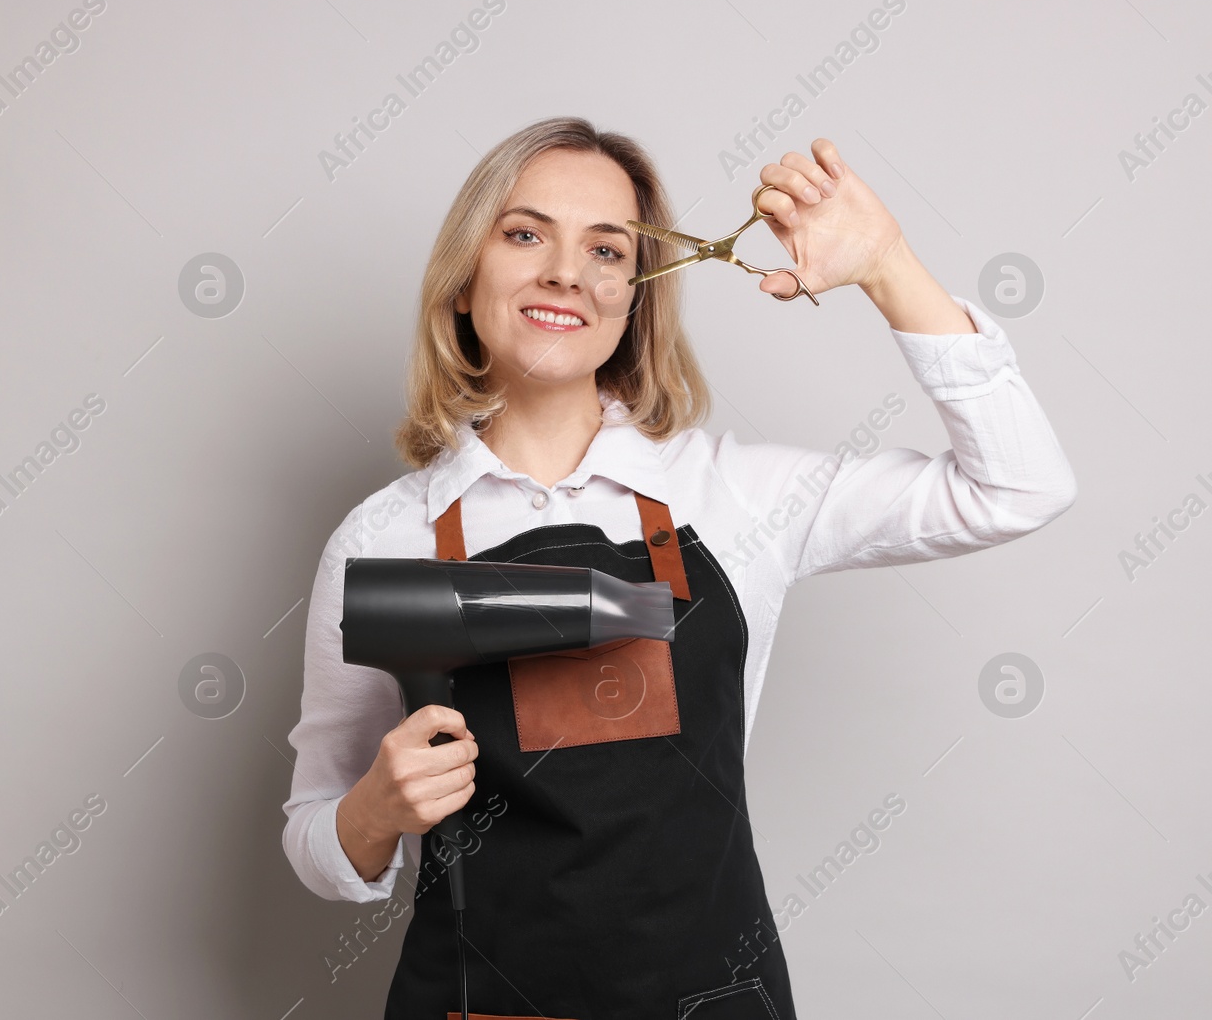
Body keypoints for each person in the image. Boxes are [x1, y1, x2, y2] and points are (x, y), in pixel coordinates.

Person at [281, 116, 1076, 1020]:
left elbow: (1018, 486)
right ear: (465, 280)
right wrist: (375, 809)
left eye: (607, 249)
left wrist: (887, 264)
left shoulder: (736, 496)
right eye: (525, 232)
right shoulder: (382, 538)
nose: (565, 273)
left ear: (636, 294)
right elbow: (317, 836)